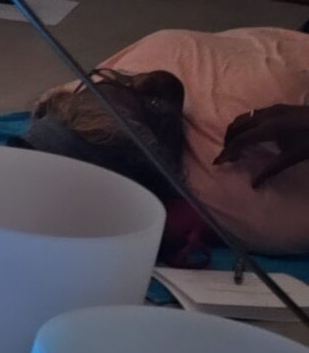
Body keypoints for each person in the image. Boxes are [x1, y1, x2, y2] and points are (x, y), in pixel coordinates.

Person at [24, 21, 309, 254]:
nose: (150, 79)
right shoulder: (250, 202)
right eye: (143, 102)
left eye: (118, 81)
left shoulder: (81, 92)